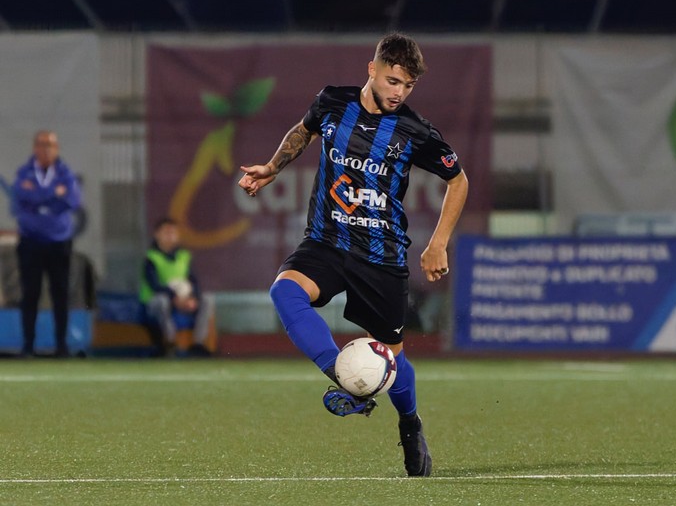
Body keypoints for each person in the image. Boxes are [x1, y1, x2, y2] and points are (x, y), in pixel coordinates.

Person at [238, 32, 469, 477]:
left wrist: (438, 242)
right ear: (372, 69)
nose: (398, 92)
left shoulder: (414, 131)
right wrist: (270, 168)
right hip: (325, 241)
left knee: (395, 361)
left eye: (407, 86)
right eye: (392, 81)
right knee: (285, 293)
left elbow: (458, 181)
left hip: (380, 257)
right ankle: (347, 382)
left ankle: (410, 424)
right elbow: (303, 132)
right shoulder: (331, 102)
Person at [12, 130, 82, 357]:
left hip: (59, 242)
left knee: (60, 293)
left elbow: (71, 200)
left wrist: (38, 198)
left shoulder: (66, 174)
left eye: (51, 144)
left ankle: (61, 345)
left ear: (57, 148)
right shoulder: (24, 173)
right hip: (31, 241)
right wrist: (53, 194)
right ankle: (28, 345)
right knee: (30, 293)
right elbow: (19, 202)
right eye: (42, 144)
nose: (46, 149)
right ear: (34, 147)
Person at [139, 217, 215, 356]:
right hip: (157, 302)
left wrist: (193, 298)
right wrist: (174, 297)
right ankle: (169, 343)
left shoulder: (184, 256)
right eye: (166, 232)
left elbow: (194, 281)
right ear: (157, 235)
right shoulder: (151, 257)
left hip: (183, 300)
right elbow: (154, 285)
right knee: (162, 301)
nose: (170, 236)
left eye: (173, 233)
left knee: (207, 299)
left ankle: (198, 343)